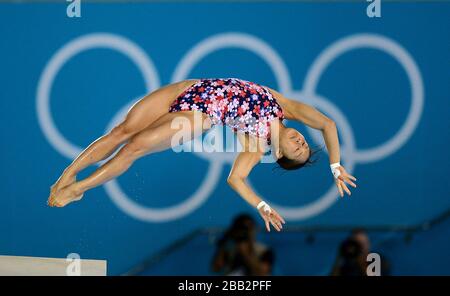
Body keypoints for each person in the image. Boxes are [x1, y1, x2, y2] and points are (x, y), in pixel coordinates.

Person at [47, 77, 357, 231]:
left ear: (279, 154)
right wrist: (335, 165)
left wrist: (260, 205)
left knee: (133, 147)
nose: (301, 142)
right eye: (304, 142)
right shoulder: (286, 107)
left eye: (297, 150)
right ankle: (66, 175)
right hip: (187, 88)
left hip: (197, 115)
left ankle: (79, 189)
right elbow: (328, 124)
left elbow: (236, 179)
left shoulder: (255, 143)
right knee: (120, 132)